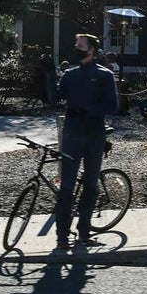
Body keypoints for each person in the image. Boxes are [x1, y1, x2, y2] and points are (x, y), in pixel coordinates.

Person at [56, 33, 118, 250]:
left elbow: (113, 105)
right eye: (76, 44)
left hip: (94, 135)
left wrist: (90, 110)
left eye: (80, 45)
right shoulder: (70, 75)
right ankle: (62, 235)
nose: (76, 47)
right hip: (72, 134)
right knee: (67, 187)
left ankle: (84, 232)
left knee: (91, 186)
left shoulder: (104, 75)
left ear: (91, 49)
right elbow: (56, 97)